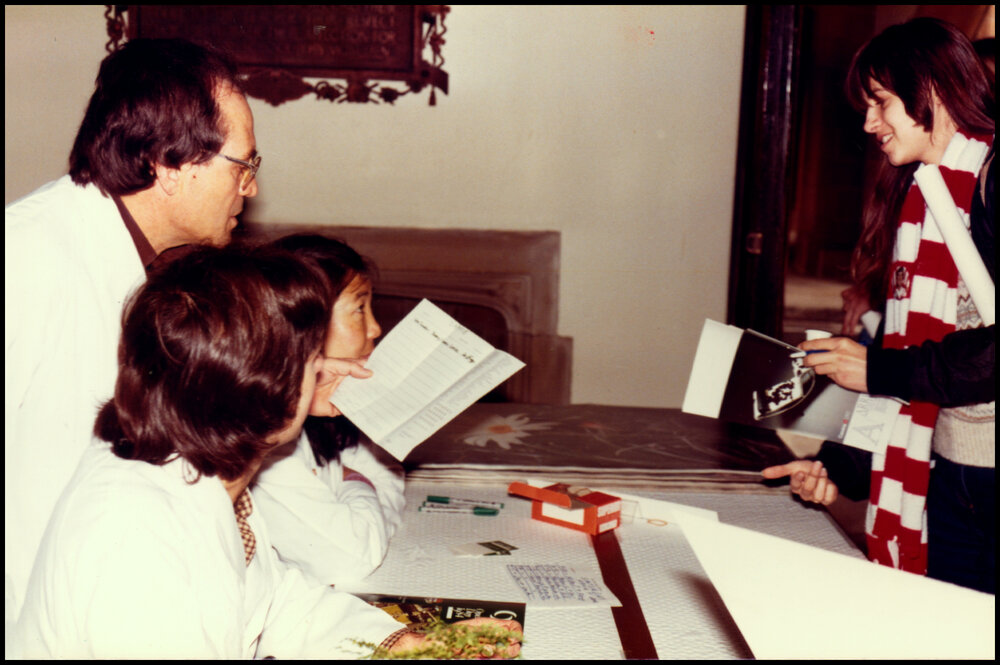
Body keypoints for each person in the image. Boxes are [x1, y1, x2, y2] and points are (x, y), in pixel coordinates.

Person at [12, 244, 522, 658]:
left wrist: (399, 643)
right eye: (309, 360)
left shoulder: (201, 468)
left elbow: (276, 603)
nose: (326, 369)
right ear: (263, 386)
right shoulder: (138, 537)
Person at [4, 37, 258, 631]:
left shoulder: (152, 262)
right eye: (243, 165)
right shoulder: (25, 254)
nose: (248, 188)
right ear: (170, 166)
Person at [763, 18, 994, 594]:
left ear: (932, 89)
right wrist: (836, 466)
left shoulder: (991, 178)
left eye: (881, 102)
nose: (870, 123)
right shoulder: (924, 190)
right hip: (953, 476)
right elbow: (903, 358)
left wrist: (877, 369)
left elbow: (899, 366)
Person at [254, 234, 406, 584]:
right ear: (306, 326)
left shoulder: (317, 409)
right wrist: (354, 480)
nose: (375, 328)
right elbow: (351, 558)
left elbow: (390, 482)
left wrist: (350, 488)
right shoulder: (268, 433)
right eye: (358, 308)